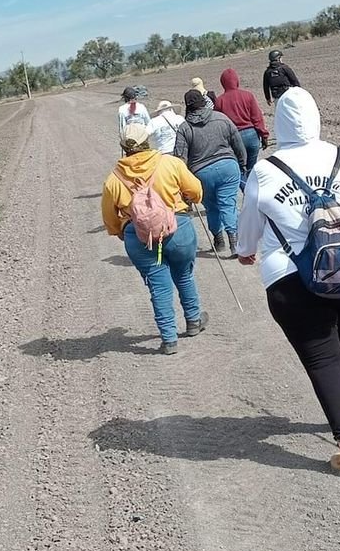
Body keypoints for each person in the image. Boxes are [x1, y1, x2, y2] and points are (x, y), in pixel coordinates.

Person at [235, 88, 340, 477]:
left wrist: (245, 251)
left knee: (321, 353)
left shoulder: (265, 171)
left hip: (292, 279)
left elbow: (248, 231)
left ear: (279, 124)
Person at [101, 121, 206, 354]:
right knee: (184, 275)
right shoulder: (170, 163)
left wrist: (123, 232)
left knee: (159, 287)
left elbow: (109, 218)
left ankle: (169, 340)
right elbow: (196, 191)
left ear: (124, 147)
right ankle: (193, 321)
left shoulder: (113, 179)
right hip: (177, 229)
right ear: (147, 141)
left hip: (140, 238)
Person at [174, 88, 245, 257]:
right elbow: (237, 142)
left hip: (201, 173)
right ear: (203, 102)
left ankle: (218, 240)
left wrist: (182, 184)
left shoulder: (184, 128)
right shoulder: (221, 117)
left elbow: (180, 159)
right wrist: (242, 163)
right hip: (228, 167)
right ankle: (234, 241)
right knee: (228, 204)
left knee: (212, 207)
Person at [211, 67, 269, 181]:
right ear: (237, 81)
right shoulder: (248, 95)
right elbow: (257, 117)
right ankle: (252, 188)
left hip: (234, 138)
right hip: (252, 136)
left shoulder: (219, 101)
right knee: (251, 169)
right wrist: (264, 135)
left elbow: (218, 124)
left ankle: (245, 188)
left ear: (223, 83)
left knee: (240, 170)